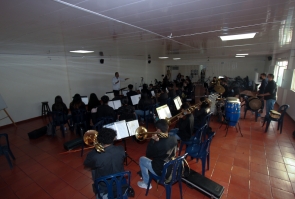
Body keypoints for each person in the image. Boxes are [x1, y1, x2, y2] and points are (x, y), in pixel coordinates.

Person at [84, 128, 125, 199]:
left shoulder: (97, 156)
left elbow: (87, 163)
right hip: (118, 179)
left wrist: (95, 149)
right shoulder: (121, 149)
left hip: (104, 184)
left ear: (101, 140)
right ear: (113, 138)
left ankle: (101, 193)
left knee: (94, 169)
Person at [137, 119, 178, 189]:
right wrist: (158, 140)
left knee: (142, 159)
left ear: (158, 130)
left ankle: (146, 184)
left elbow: (148, 154)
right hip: (170, 166)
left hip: (160, 170)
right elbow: (165, 144)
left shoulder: (158, 145)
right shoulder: (174, 138)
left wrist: (152, 140)